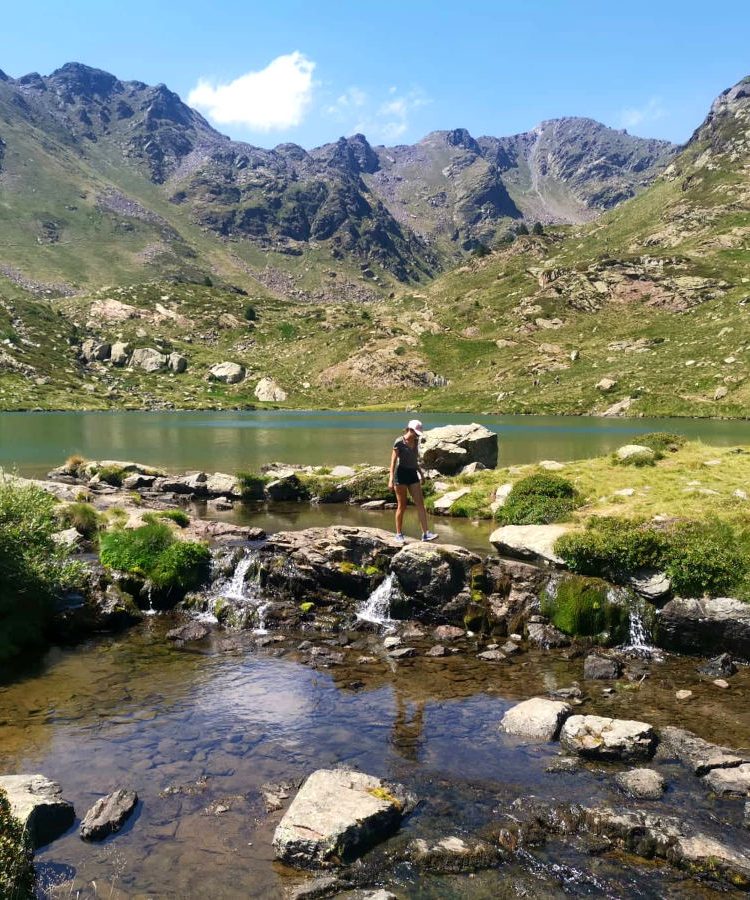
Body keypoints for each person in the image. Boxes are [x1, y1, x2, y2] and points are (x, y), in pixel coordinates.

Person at [388, 419, 437, 543]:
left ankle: (425, 534)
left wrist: (421, 474)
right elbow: (393, 462)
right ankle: (398, 534)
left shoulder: (416, 441)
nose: (416, 435)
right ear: (409, 429)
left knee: (420, 504)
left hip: (413, 474)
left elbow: (414, 460)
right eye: (415, 432)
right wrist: (391, 479)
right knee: (402, 506)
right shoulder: (399, 442)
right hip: (401, 474)